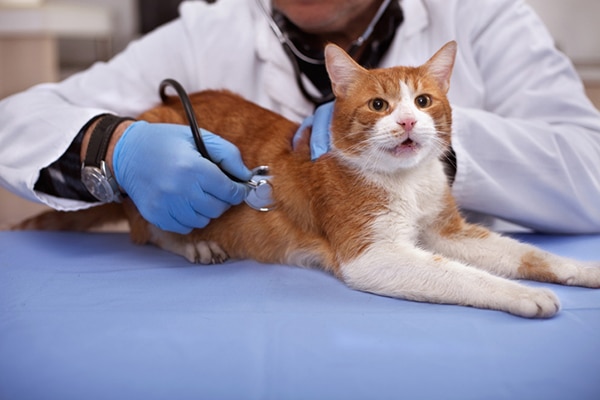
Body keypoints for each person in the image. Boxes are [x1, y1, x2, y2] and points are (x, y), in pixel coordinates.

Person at [1, 0, 599, 234]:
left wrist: (426, 150)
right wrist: (115, 150)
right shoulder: (210, 30)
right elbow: (17, 122)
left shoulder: (480, 16)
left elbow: (591, 173)